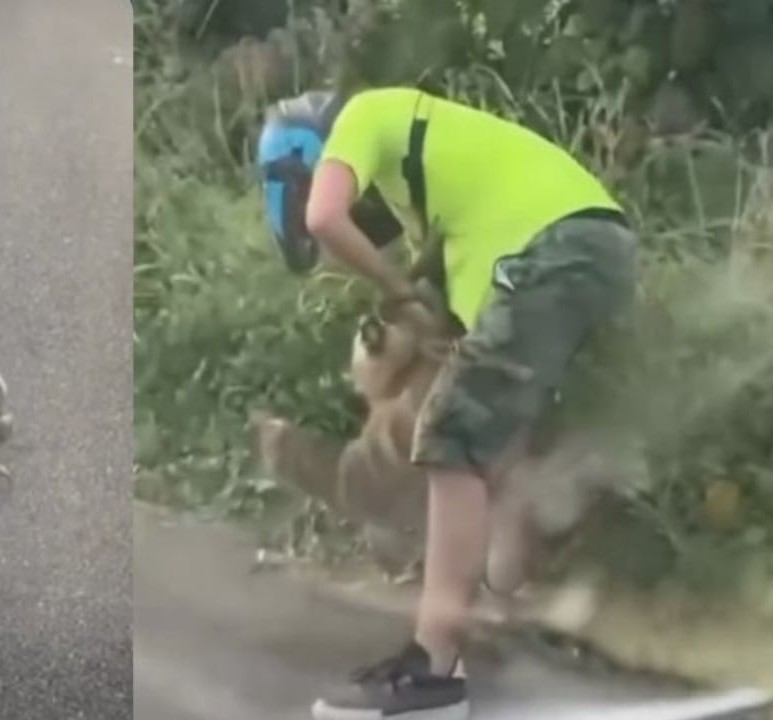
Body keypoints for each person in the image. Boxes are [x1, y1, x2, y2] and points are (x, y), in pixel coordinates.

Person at [255, 86, 637, 719]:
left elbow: (325, 218)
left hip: (559, 246)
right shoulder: (453, 215)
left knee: (451, 435)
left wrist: (395, 289)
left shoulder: (360, 114)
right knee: (492, 447)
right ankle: (530, 614)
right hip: (586, 247)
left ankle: (433, 674)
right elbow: (432, 346)